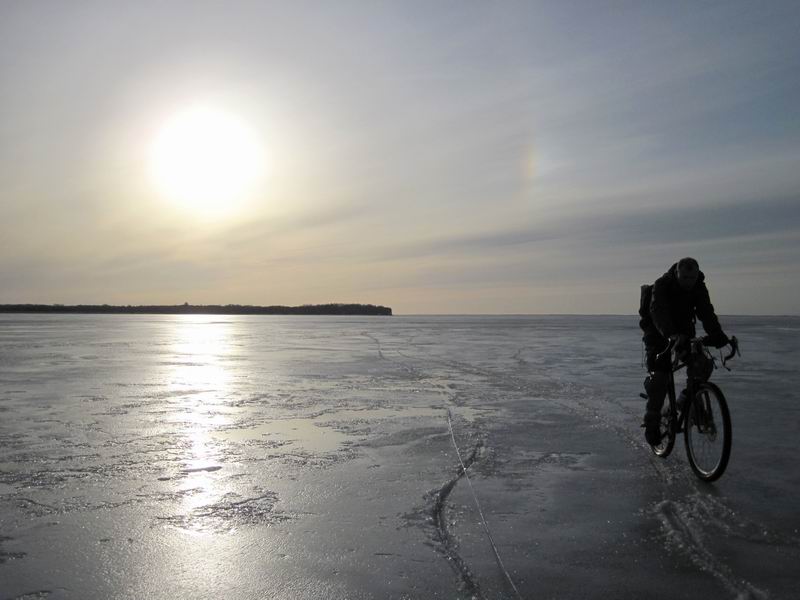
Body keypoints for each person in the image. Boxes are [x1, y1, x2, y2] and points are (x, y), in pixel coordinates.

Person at [639, 257, 729, 445]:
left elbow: (706, 311)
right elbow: (658, 310)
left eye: (692, 277)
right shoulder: (662, 285)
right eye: (685, 277)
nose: (689, 281)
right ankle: (652, 424)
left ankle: (686, 401)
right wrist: (671, 334)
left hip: (684, 332)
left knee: (702, 364)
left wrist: (718, 335)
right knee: (660, 377)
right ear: (677, 273)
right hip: (657, 333)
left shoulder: (698, 287)